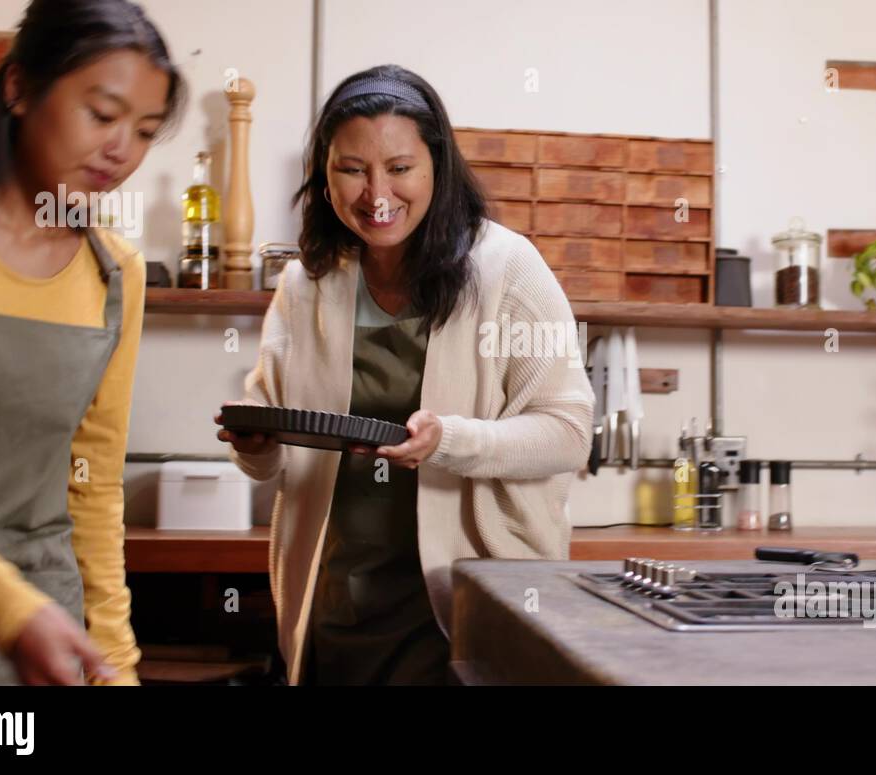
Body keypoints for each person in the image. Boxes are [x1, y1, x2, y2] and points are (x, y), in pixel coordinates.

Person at [216, 64, 594, 685]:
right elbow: (279, 458)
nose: (376, 194)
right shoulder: (306, 284)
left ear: (437, 169)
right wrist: (256, 449)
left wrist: (452, 441)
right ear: (323, 174)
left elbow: (568, 431)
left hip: (463, 609)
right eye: (351, 169)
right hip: (336, 605)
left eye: (399, 168)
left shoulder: (508, 268)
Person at [0, 0, 184, 685]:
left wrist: (117, 665)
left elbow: (94, 487)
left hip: (48, 627)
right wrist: (11, 610)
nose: (121, 150)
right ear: (18, 89)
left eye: (144, 130)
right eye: (101, 115)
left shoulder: (116, 274)